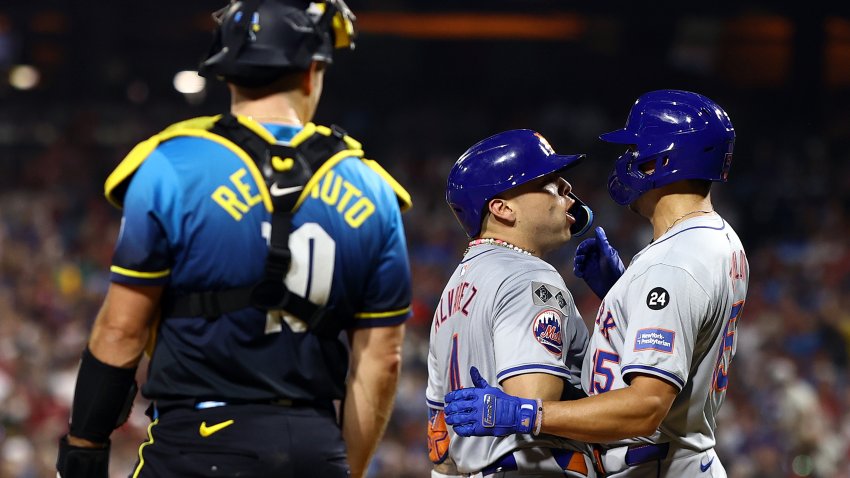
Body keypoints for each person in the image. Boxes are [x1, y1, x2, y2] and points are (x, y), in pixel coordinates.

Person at [55, 1, 413, 477]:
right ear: (312, 71)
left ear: (227, 74)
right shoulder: (373, 188)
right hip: (314, 442)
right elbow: (382, 361)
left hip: (196, 446)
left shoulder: (171, 165)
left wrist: (85, 449)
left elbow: (121, 331)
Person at [443, 90, 749, 477]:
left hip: (659, 466)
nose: (627, 161)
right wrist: (623, 292)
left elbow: (645, 408)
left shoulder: (673, 263)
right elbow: (689, 327)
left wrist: (525, 413)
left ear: (661, 162)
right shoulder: (719, 238)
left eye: (635, 149)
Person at [427, 129, 600, 477]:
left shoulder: (453, 291)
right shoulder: (529, 277)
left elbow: (439, 444)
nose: (567, 188)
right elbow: (534, 399)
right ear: (502, 208)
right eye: (549, 181)